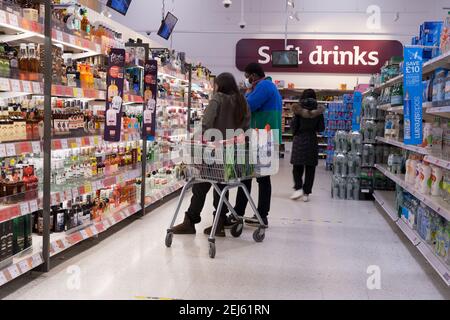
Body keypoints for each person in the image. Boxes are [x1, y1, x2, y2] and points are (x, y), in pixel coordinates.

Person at [172, 72, 250, 236]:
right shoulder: (242, 101)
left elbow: (206, 125)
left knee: (201, 185)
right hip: (232, 153)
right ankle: (219, 223)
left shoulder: (218, 99)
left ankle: (191, 221)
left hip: (213, 151)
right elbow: (245, 128)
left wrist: (193, 143)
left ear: (219, 85)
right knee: (221, 186)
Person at [229, 62, 282, 227]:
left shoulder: (264, 86)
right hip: (261, 136)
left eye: (247, 76)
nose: (246, 79)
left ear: (253, 75)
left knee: (256, 178)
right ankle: (247, 213)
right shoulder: (267, 86)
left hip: (262, 137)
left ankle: (255, 214)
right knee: (253, 177)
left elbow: (247, 106)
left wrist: (244, 94)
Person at [289, 89, 325, 202]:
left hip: (299, 139)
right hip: (312, 140)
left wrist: (294, 133)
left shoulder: (298, 110)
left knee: (297, 166)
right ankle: (306, 193)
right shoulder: (318, 111)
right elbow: (321, 128)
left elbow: (294, 126)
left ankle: (298, 188)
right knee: (310, 168)